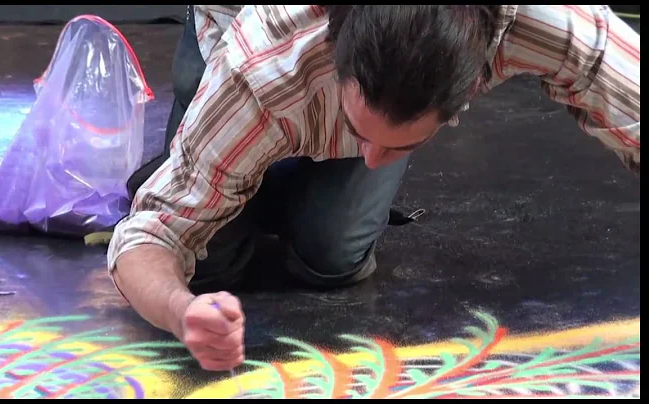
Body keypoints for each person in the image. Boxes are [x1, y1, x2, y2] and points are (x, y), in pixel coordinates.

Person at [109, 5, 640, 371]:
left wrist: (373, 137)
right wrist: (182, 312)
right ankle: (204, 151)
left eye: (401, 146)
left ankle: (252, 166)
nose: (371, 159)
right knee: (210, 266)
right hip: (232, 40)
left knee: (332, 255)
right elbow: (151, 236)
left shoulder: (546, 26)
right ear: (338, 66)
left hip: (314, 104)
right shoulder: (263, 69)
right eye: (361, 133)